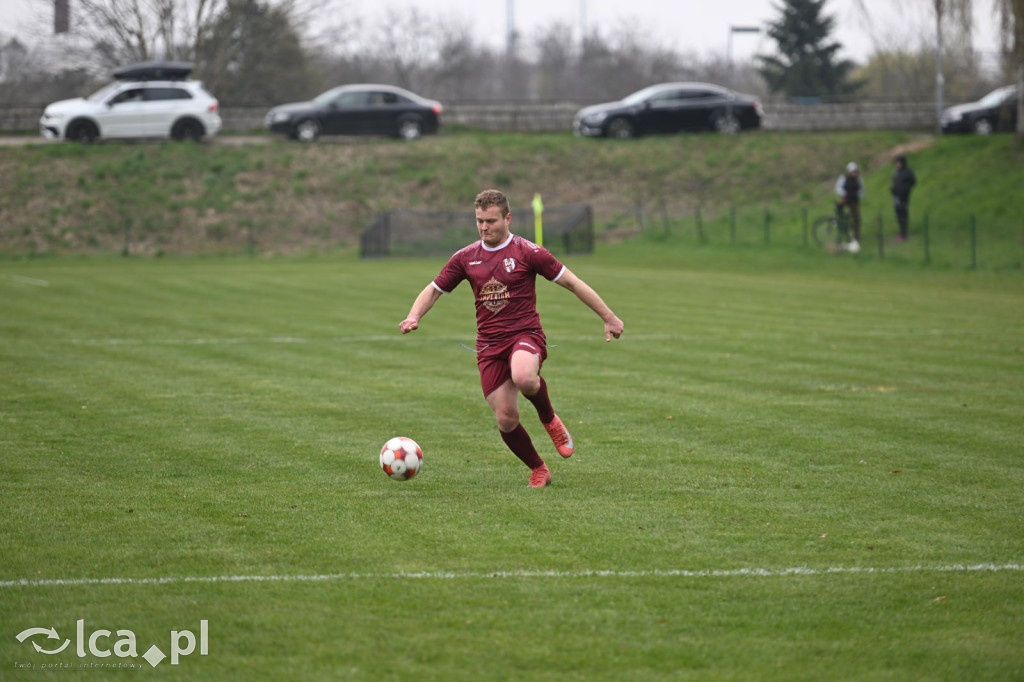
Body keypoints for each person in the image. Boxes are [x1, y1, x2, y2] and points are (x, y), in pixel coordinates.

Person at [399, 189, 624, 488]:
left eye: (490, 221)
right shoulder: (466, 257)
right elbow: (434, 289)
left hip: (524, 334)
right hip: (490, 346)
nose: (483, 227)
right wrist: (414, 316)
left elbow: (572, 282)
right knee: (506, 418)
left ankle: (549, 418)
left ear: (507, 218)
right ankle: (539, 468)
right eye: (479, 221)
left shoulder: (528, 252)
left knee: (524, 377)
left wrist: (608, 316)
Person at [834, 161, 865, 252]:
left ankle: (856, 234)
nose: (853, 173)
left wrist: (855, 194)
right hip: (846, 198)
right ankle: (839, 220)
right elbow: (838, 188)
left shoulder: (858, 180)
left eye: (854, 171)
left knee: (856, 217)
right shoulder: (843, 178)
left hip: (854, 200)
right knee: (839, 205)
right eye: (851, 171)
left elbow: (862, 191)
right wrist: (845, 194)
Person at [890, 154, 917, 242]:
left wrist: (905, 189)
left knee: (903, 214)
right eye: (896, 162)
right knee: (898, 213)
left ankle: (903, 233)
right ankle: (901, 232)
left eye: (899, 162)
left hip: (904, 196)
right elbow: (894, 183)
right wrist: (893, 189)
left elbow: (913, 182)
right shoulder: (896, 172)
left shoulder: (908, 172)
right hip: (896, 196)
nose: (897, 164)